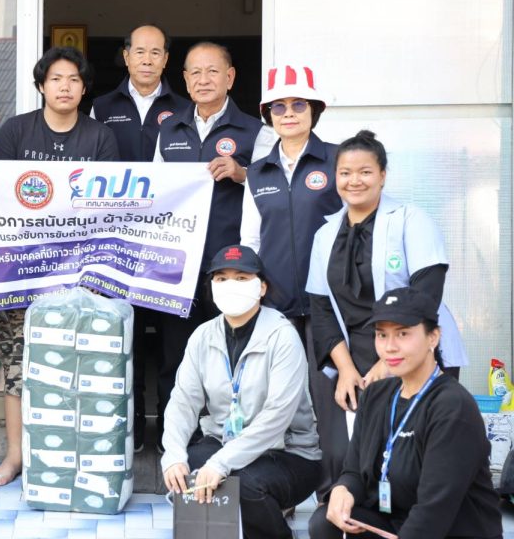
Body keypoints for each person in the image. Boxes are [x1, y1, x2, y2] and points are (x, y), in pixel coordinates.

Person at [0, 46, 118, 485]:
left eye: (74, 80)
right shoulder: (17, 131)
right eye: (56, 79)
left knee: (79, 366)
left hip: (82, 276)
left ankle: (73, 453)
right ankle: (15, 456)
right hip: (22, 275)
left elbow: (108, 208)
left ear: (84, 88)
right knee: (17, 366)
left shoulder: (100, 138)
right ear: (41, 86)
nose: (65, 87)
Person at [306, 130, 468, 491]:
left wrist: (388, 361)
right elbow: (321, 308)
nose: (354, 181)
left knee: (417, 454)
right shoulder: (325, 234)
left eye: (365, 172)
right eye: (345, 173)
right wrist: (345, 369)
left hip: (412, 350)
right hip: (355, 356)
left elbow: (426, 294)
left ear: (382, 175)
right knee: (358, 456)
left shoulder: (411, 219)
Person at [152, 41, 275, 451]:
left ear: (230, 77)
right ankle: (175, 441)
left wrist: (242, 173)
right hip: (177, 265)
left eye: (212, 71)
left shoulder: (257, 131)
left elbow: (273, 187)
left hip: (231, 266)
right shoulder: (169, 130)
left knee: (232, 353)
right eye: (195, 72)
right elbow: (155, 191)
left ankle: (233, 440)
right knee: (176, 353)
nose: (203, 80)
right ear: (184, 80)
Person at [308, 287, 501, 538]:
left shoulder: (452, 407)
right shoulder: (376, 395)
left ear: (433, 337)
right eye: (381, 335)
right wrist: (343, 489)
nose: (390, 347)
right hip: (395, 523)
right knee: (326, 522)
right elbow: (354, 471)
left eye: (403, 334)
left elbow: (433, 513)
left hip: (446, 530)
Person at [161, 244, 320, 539]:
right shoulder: (203, 336)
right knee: (187, 470)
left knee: (241, 482)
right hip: (224, 442)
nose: (230, 285)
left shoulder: (283, 337)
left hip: (287, 453)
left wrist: (220, 463)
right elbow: (183, 402)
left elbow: (276, 417)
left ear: (262, 287)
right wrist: (173, 455)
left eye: (242, 278)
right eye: (221, 278)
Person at [239, 65, 340, 494]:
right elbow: (250, 239)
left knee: (331, 402)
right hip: (276, 303)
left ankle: (334, 494)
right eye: (279, 107)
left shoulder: (337, 159)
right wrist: (252, 294)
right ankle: (280, 493)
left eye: (299, 104)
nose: (289, 113)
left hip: (327, 303)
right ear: (268, 115)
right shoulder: (257, 171)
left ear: (314, 110)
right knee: (278, 400)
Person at [92, 24, 192, 451]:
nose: (147, 59)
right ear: (126, 56)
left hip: (170, 243)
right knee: (123, 338)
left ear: (166, 59)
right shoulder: (100, 106)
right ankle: (127, 428)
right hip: (117, 244)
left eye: (156, 52)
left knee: (173, 343)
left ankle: (172, 430)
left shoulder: (186, 108)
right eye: (140, 51)